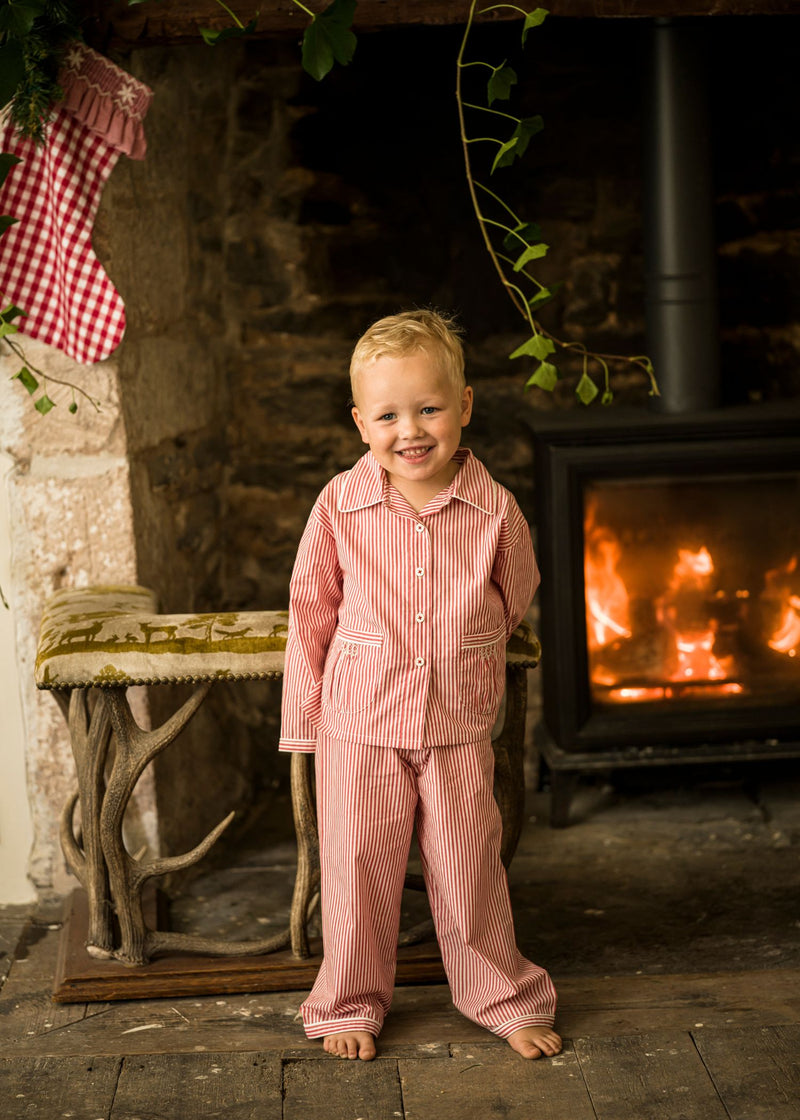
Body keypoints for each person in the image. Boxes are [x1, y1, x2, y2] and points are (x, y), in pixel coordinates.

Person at [279, 309, 561, 1062]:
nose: (411, 429)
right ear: (359, 422)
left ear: (464, 406)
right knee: (359, 866)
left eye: (429, 408)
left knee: (470, 865)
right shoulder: (340, 505)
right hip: (358, 723)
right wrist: (304, 724)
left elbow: (517, 590)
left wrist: (466, 648)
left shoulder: (494, 508)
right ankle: (348, 1001)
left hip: (456, 723)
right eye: (388, 415)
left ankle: (502, 995)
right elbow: (310, 613)